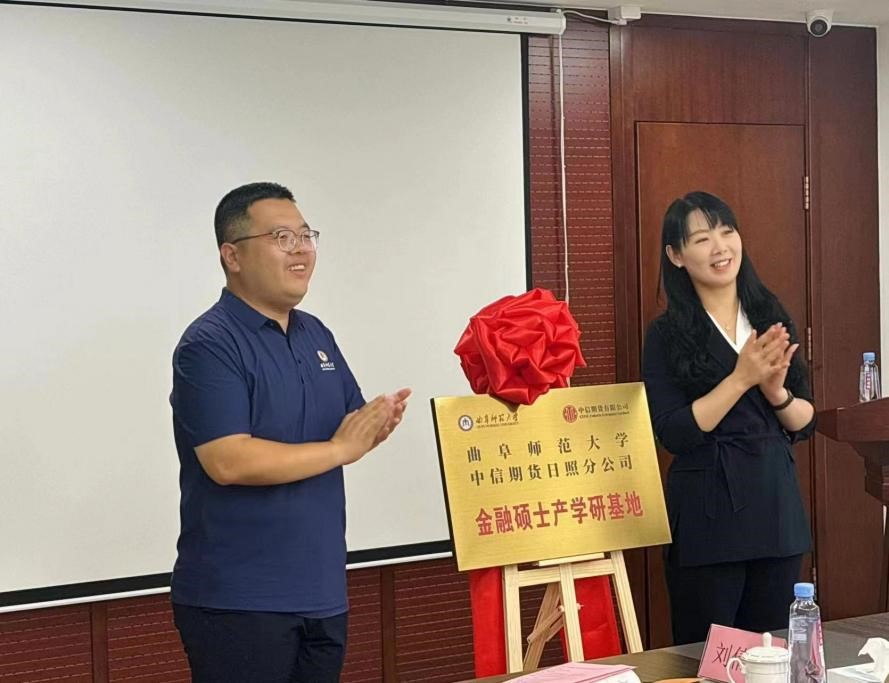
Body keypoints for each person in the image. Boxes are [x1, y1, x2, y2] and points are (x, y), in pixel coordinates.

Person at [169, 181, 411, 682]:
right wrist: (341, 447)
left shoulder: (315, 333)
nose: (301, 249)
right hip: (239, 601)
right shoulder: (209, 344)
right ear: (232, 255)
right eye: (282, 237)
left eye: (306, 235)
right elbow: (228, 461)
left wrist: (376, 424)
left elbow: (346, 429)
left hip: (322, 591)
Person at [641, 191, 815, 645]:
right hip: (708, 516)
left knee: (773, 655)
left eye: (726, 231)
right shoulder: (666, 334)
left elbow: (805, 419)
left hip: (775, 510)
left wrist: (776, 393)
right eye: (702, 239)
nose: (720, 247)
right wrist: (741, 379)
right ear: (676, 255)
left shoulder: (768, 316)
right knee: (709, 659)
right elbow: (674, 432)